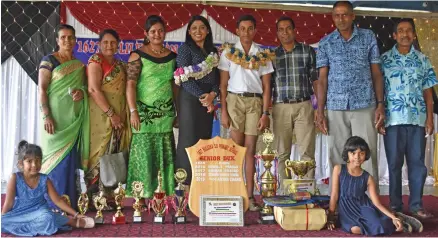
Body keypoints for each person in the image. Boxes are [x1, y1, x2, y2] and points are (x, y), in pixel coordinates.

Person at [315, 1, 384, 185]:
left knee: (367, 154)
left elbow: (376, 72)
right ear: (333, 18)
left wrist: (380, 104)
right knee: (337, 155)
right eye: (337, 15)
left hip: (365, 104)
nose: (341, 19)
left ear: (353, 16)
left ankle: (370, 201)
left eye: (345, 14)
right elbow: (322, 79)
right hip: (335, 106)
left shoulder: (368, 37)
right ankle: (338, 202)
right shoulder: (326, 43)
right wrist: (320, 111)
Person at [380, 19, 437, 220]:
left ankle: (416, 205)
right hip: (392, 120)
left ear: (413, 35)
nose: (405, 34)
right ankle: (395, 206)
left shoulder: (423, 60)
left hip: (417, 119)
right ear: (394, 35)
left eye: (409, 31)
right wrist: (379, 116)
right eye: (401, 31)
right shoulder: (384, 60)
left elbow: (428, 92)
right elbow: (379, 92)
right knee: (394, 164)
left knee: (417, 164)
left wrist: (430, 118)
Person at [219, 14, 274, 211]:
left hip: (254, 102)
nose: (246, 32)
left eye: (250, 28)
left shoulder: (262, 53)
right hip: (234, 100)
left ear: (255, 30)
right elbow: (223, 85)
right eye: (242, 28)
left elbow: (267, 87)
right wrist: (224, 111)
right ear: (237, 30)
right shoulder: (228, 52)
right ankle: (235, 194)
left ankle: (250, 196)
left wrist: (265, 113)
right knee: (236, 150)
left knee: (250, 150)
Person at [125, 15, 177, 202]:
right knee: (144, 153)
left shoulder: (172, 57)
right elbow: (130, 85)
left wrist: (176, 111)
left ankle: (163, 195)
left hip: (165, 115)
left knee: (165, 152)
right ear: (146, 33)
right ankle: (142, 196)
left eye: (160, 31)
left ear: (165, 32)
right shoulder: (137, 55)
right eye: (153, 31)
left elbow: (174, 86)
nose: (157, 34)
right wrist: (133, 111)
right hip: (143, 114)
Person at [327, 136, 423, 235]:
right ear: (347, 153)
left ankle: (396, 218)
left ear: (366, 155)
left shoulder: (368, 177)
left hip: (364, 207)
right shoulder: (338, 169)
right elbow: (334, 195)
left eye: (361, 153)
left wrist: (392, 217)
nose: (357, 157)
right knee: (355, 229)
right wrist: (330, 217)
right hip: (346, 209)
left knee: (378, 224)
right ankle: (397, 220)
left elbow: (377, 204)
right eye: (353, 153)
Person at [38, 24, 89, 210]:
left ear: (75, 40)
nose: (67, 40)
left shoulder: (79, 64)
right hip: (55, 121)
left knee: (69, 161)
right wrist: (46, 116)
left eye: (70, 37)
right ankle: (50, 203)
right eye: (63, 37)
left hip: (73, 121)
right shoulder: (49, 60)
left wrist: (82, 93)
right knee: (52, 160)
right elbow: (42, 89)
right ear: (57, 40)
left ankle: (69, 203)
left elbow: (84, 88)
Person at [1, 141, 94, 237]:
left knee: (47, 217)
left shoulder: (45, 179)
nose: (34, 165)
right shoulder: (15, 178)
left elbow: (58, 201)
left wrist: (76, 214)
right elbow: (9, 203)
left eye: (37, 160)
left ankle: (70, 220)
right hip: (21, 213)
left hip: (40, 213)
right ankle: (64, 221)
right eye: (29, 161)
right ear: (21, 164)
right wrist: (3, 217)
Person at [85, 29, 132, 206]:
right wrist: (111, 114)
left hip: (119, 117)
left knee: (114, 152)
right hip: (100, 116)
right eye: (105, 42)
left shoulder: (121, 65)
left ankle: (110, 194)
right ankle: (95, 197)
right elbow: (93, 90)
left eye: (113, 42)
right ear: (99, 44)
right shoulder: (95, 61)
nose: (109, 46)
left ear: (118, 44)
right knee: (98, 153)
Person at [272, 16, 317, 193]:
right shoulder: (272, 56)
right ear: (277, 33)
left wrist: (319, 107)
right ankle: (285, 192)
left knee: (307, 151)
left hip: (304, 105)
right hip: (280, 106)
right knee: (282, 153)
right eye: (281, 29)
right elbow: (268, 83)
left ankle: (308, 191)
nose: (285, 32)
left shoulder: (307, 51)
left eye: (288, 28)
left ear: (294, 30)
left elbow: (315, 80)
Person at [175, 15, 219, 188]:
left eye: (202, 27)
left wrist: (212, 95)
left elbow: (216, 79)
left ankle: (200, 183)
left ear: (207, 30)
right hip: (190, 99)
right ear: (189, 31)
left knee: (204, 140)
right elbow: (184, 79)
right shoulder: (185, 49)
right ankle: (184, 185)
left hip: (207, 100)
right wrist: (204, 97)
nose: (198, 31)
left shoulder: (212, 51)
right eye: (194, 28)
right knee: (188, 140)